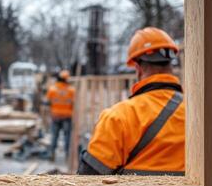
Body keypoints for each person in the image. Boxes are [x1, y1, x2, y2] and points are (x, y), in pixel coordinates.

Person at [78, 27, 184, 176]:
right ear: (170, 65)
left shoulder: (119, 117)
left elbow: (87, 184)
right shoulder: (200, 113)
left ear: (138, 68)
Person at [46, 70, 75, 161]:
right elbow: (74, 104)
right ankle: (67, 156)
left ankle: (52, 154)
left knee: (54, 135)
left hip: (55, 116)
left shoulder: (52, 89)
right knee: (67, 136)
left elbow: (48, 102)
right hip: (67, 116)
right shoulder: (71, 90)